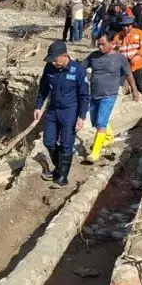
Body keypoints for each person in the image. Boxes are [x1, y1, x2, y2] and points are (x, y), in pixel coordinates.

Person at [34, 41, 89, 187]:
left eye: (55, 59)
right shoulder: (49, 68)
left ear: (64, 55)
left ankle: (62, 178)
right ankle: (59, 169)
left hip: (70, 111)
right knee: (48, 141)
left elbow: (84, 96)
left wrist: (81, 117)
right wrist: (38, 106)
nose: (53, 63)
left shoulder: (78, 71)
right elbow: (43, 88)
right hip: (53, 110)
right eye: (51, 60)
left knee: (66, 143)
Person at [82, 35, 141, 162]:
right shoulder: (93, 56)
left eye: (103, 44)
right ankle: (108, 138)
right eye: (98, 44)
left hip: (109, 95)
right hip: (94, 94)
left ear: (112, 44)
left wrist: (134, 91)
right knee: (96, 121)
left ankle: (95, 153)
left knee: (100, 123)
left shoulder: (120, 58)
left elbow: (128, 75)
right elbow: (81, 68)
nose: (100, 47)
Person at [113, 15, 142, 95]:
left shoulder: (139, 33)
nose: (125, 28)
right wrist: (116, 46)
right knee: (120, 84)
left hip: (137, 64)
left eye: (127, 25)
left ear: (132, 25)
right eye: (123, 26)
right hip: (123, 65)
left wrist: (138, 55)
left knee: (139, 83)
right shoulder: (118, 36)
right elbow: (112, 50)